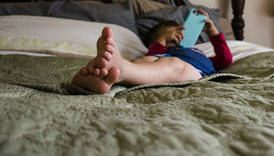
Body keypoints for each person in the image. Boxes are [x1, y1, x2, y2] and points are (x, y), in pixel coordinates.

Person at [71, 10, 232, 94]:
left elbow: (225, 60)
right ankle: (109, 76)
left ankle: (120, 70)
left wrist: (213, 32)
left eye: (180, 32)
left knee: (173, 64)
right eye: (171, 34)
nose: (177, 35)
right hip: (157, 60)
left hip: (193, 70)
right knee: (143, 62)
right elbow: (152, 55)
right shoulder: (158, 49)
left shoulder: (197, 51)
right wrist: (162, 39)